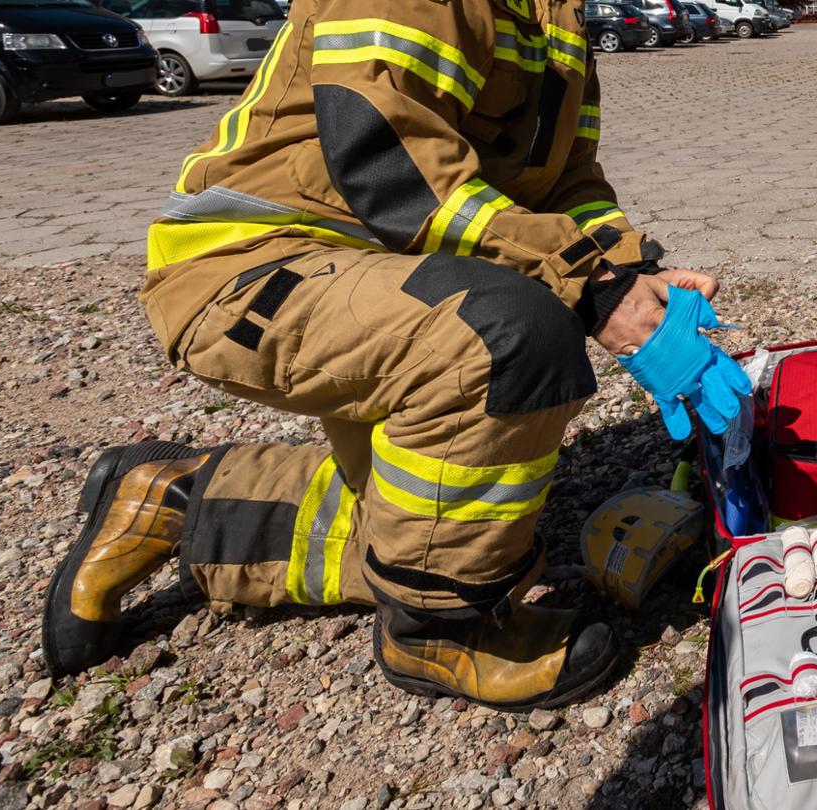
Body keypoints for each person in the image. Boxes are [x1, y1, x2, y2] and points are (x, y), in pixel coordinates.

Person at [42, 0, 749, 712]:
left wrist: (630, 273)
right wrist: (595, 290)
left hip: (388, 272)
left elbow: (565, 182)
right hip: (251, 265)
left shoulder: (556, 15)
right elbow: (387, 161)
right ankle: (438, 629)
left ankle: (176, 499)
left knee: (414, 525)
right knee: (509, 337)